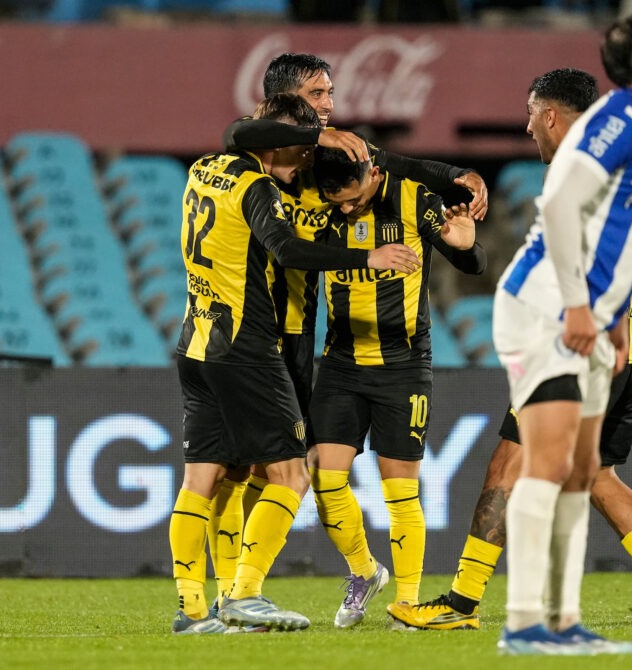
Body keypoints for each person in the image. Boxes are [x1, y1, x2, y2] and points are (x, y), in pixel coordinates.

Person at [387, 67, 632, 634]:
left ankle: (461, 602)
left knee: (507, 465)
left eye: (531, 116)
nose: (528, 128)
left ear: (551, 115)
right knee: (596, 471)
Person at [205, 53, 490, 610]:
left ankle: (253, 592)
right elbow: (235, 134)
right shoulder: (264, 159)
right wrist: (317, 135)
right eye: (317, 94)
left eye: (330, 94)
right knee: (255, 472)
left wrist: (462, 179)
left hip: (321, 345)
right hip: (266, 338)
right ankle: (239, 592)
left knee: (285, 472)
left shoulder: (353, 166)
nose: (329, 105)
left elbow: (410, 170)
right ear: (283, 101)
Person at [169, 92, 420, 635]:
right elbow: (287, 250)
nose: (307, 160)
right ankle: (246, 594)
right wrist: (368, 257)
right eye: (302, 148)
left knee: (201, 478)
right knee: (290, 474)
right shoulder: (256, 186)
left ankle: (191, 610)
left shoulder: (202, 169)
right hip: (245, 347)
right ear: (280, 139)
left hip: (195, 341)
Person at [493, 10, 632, 655]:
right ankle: (527, 624)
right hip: (544, 305)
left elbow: (631, 245)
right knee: (551, 466)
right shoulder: (623, 119)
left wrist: (607, 318)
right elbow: (558, 205)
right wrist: (583, 309)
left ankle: (562, 623)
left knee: (582, 471)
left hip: (585, 315)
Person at [309, 141, 487, 628]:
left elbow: (472, 263)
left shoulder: (411, 198)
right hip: (341, 364)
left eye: (353, 199)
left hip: (403, 367)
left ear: (372, 173)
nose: (347, 209)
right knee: (324, 481)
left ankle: (406, 604)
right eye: (338, 203)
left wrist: (466, 244)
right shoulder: (318, 203)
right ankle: (364, 571)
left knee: (401, 492)